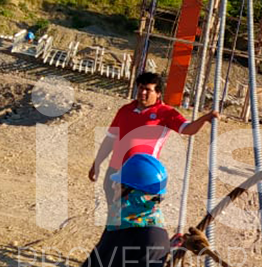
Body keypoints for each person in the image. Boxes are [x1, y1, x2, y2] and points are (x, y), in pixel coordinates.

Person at [89, 71, 218, 215]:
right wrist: (97, 163)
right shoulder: (125, 110)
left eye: (148, 90)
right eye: (140, 88)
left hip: (142, 176)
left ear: (158, 93)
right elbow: (110, 139)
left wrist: (205, 118)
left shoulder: (166, 113)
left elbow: (187, 129)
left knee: (138, 219)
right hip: (116, 172)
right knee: (115, 218)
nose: (142, 92)